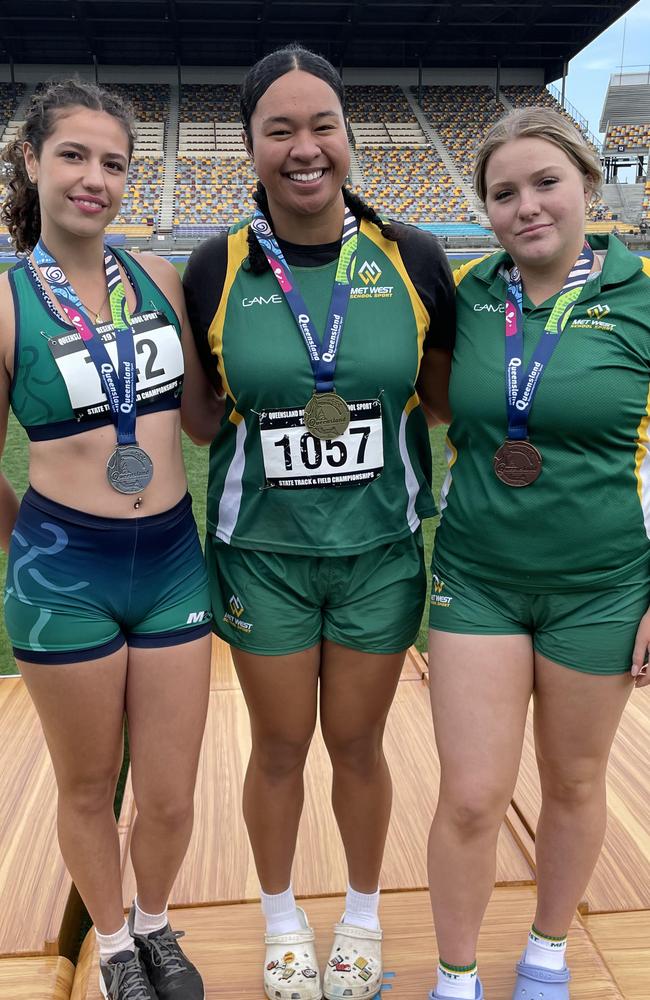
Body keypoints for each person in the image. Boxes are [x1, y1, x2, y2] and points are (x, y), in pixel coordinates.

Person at [182, 45, 455, 1000]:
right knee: (281, 745)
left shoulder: (414, 255)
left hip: (380, 555)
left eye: (322, 125)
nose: (305, 147)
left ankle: (367, 919)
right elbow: (203, 415)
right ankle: (282, 919)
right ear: (250, 146)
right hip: (264, 560)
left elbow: (441, 399)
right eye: (280, 129)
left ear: (349, 135)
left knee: (357, 743)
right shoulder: (216, 264)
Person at [0, 80, 219, 1000]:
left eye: (114, 162)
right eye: (74, 156)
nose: (95, 178)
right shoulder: (9, 302)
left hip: (172, 560)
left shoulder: (158, 278)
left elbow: (203, 422)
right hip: (64, 571)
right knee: (88, 785)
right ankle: (118, 946)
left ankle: (158, 922)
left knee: (169, 792)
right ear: (31, 164)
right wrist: (36, 551)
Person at [427, 106, 650, 1000]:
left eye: (546, 183)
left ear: (590, 190)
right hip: (478, 579)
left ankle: (547, 957)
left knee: (574, 780)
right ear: (484, 209)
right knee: (474, 795)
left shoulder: (641, 298)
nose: (526, 206)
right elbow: (435, 402)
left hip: (601, 588)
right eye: (502, 192)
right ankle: (455, 975)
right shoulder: (470, 295)